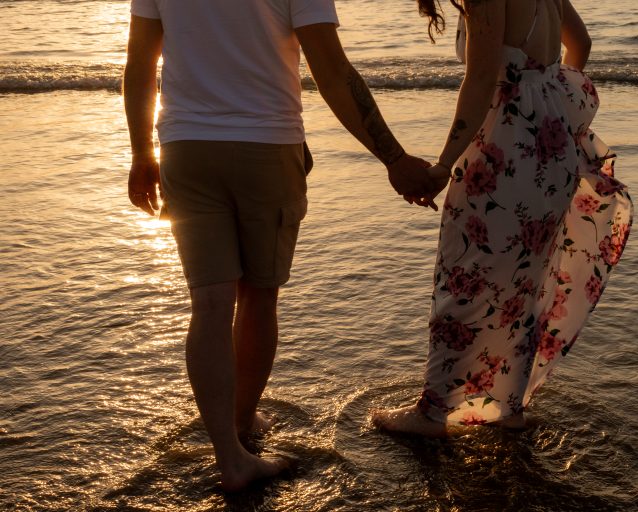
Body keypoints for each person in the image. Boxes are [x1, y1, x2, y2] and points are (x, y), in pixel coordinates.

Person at [123, 0, 436, 491]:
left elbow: (140, 63)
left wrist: (143, 152)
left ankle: (230, 456)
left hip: (185, 147)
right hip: (266, 145)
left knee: (208, 304)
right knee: (258, 295)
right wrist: (393, 158)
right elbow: (332, 71)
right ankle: (242, 425)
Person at [373, 0, 633, 435]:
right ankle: (508, 409)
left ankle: (434, 415)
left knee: (464, 279)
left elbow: (478, 80)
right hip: (552, 142)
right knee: (522, 286)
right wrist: (550, 96)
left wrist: (441, 167)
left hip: (505, 144)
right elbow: (580, 44)